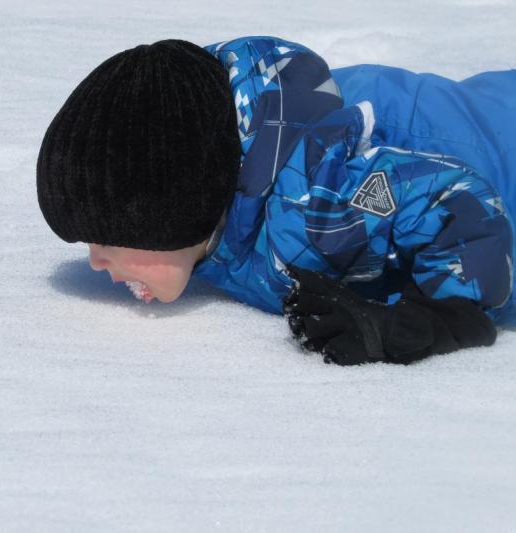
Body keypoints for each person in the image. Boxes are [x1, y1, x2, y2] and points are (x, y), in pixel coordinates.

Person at [36, 35, 516, 365]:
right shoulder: (221, 178)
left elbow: (458, 208)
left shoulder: (315, 197)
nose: (96, 262)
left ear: (169, 205)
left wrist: (434, 320)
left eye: (109, 236)